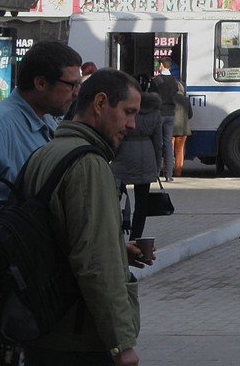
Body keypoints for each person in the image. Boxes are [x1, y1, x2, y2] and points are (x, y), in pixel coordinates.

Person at [18, 68, 145, 366]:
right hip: (77, 338)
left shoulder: (47, 151)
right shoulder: (89, 164)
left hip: (45, 329)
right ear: (100, 104)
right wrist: (122, 343)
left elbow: (58, 235)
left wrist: (116, 248)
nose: (132, 124)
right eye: (128, 112)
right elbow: (95, 262)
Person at [0, 40, 81, 214]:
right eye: (72, 85)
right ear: (41, 83)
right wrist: (8, 224)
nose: (77, 93)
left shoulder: (47, 121)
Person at [111, 91, 163, 239]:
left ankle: (115, 233)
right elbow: (158, 143)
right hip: (147, 157)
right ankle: (136, 237)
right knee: (142, 203)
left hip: (124, 155)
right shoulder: (156, 113)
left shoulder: (130, 111)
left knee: (114, 198)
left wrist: (113, 155)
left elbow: (118, 135)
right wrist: (157, 165)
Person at [149, 57, 178, 182]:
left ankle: (156, 172)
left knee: (157, 143)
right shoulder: (174, 81)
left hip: (159, 113)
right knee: (168, 144)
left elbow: (151, 94)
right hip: (171, 114)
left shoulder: (157, 80)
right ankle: (169, 174)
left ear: (161, 65)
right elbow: (176, 92)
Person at [171, 85, 192, 178]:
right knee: (179, 151)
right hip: (183, 129)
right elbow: (190, 115)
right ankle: (178, 172)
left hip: (171, 128)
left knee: (169, 150)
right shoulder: (186, 100)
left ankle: (168, 171)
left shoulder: (169, 99)